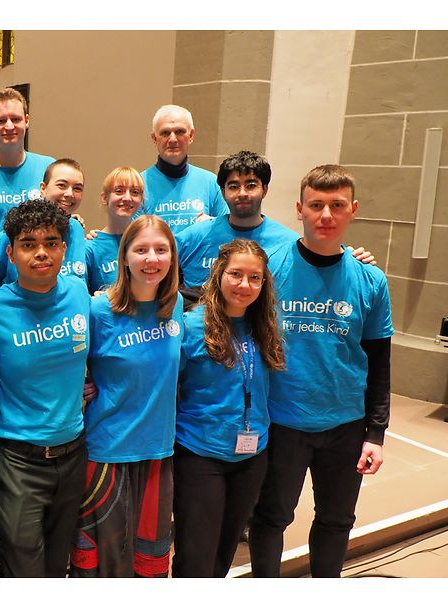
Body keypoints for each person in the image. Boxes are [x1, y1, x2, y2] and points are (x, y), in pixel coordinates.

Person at [249, 165, 393, 577]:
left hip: (345, 426)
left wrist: (375, 433)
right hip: (282, 421)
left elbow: (379, 361)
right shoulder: (270, 269)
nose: (326, 215)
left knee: (336, 520)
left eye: (336, 205)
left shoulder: (371, 279)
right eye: (316, 205)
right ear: (299, 209)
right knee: (271, 517)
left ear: (353, 211)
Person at [0, 198, 90, 578]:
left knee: (57, 568)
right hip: (19, 460)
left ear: (64, 249)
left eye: (51, 243)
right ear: (11, 252)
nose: (41, 253)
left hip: (73, 454)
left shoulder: (79, 294)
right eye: (29, 244)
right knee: (23, 571)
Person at [70, 215, 183, 578]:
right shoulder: (100, 310)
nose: (151, 259)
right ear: (125, 257)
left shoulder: (175, 304)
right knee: (105, 566)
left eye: (161, 250)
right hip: (108, 452)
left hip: (158, 452)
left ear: (172, 258)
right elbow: (66, 363)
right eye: (141, 250)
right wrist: (81, 386)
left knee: (146, 565)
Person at [172, 239, 285, 578]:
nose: (245, 285)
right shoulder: (191, 327)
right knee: (196, 556)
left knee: (224, 553)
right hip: (200, 455)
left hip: (251, 457)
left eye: (255, 278)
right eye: (236, 274)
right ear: (219, 273)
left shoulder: (264, 326)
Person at [177, 151, 374, 308]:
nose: (242, 193)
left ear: (265, 189)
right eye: (234, 186)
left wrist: (348, 257)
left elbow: (322, 260)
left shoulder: (287, 242)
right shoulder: (193, 237)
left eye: (251, 185)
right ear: (223, 192)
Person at [0, 159, 88, 285]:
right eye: (61, 185)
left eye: (77, 188)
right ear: (43, 188)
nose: (69, 194)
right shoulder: (16, 231)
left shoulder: (77, 228)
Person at [136, 104, 226, 234]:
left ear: (191, 135)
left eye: (179, 131)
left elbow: (227, 233)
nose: (172, 139)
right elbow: (129, 238)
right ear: (154, 138)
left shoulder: (211, 183)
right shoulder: (138, 185)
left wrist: (214, 225)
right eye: (165, 133)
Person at [0, 87, 54, 230]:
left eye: (15, 119)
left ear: (27, 120)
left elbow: (61, 216)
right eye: (1, 121)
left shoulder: (49, 168)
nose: (9, 126)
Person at [84, 166, 143, 294]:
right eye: (119, 191)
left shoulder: (148, 240)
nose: (127, 198)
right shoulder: (91, 247)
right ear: (104, 198)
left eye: (135, 192)